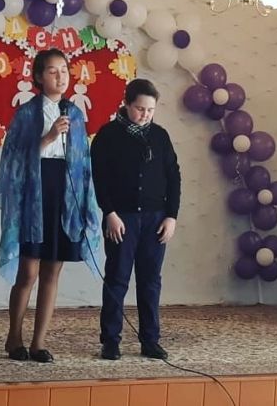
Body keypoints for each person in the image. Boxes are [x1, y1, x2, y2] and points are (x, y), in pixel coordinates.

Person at [0, 48, 102, 363]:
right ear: (39, 77)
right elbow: (13, 160)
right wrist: (49, 136)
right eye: (53, 71)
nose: (61, 76)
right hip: (34, 195)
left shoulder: (75, 114)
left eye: (64, 70)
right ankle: (14, 337)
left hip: (64, 196)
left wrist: (85, 203)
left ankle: (39, 343)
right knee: (28, 271)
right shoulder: (27, 114)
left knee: (53, 270)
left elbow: (82, 163)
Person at [90, 78, 181, 361]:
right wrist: (109, 213)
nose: (145, 115)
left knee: (150, 280)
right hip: (121, 218)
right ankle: (110, 340)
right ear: (127, 104)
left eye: (150, 110)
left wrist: (171, 216)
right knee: (117, 278)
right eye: (140, 109)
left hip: (155, 219)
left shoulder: (160, 136)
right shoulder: (107, 135)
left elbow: (173, 177)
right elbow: (99, 178)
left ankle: (150, 340)